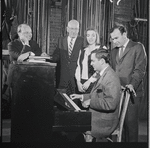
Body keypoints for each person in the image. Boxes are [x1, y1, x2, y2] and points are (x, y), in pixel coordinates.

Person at [70, 48, 121, 142]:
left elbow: (111, 104)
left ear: (101, 61)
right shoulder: (103, 73)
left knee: (73, 127)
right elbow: (97, 94)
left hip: (104, 122)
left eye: (93, 61)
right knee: (73, 123)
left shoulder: (111, 78)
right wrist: (81, 96)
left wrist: (91, 102)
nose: (91, 63)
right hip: (99, 116)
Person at [109, 24, 147, 142]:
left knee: (130, 126)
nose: (114, 41)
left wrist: (132, 84)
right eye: (112, 39)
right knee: (121, 127)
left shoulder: (137, 47)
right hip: (118, 93)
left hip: (132, 93)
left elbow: (140, 69)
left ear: (124, 34)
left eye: (116, 38)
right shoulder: (113, 51)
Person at [5, 24, 48, 90]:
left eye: (31, 32)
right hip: (17, 78)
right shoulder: (12, 44)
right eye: (26, 32)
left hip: (32, 78)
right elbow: (20, 58)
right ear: (19, 33)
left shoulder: (34, 43)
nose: (30, 34)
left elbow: (38, 54)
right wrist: (26, 44)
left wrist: (42, 55)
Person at [51, 19, 84, 96]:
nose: (74, 31)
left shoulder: (82, 41)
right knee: (62, 101)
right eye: (72, 29)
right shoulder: (61, 40)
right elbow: (56, 56)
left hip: (76, 78)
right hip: (63, 77)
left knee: (75, 103)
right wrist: (49, 58)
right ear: (67, 29)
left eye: (76, 29)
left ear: (79, 30)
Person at [75, 27, 100, 94]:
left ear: (96, 36)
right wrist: (78, 82)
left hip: (95, 83)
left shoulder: (100, 50)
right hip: (82, 83)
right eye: (88, 35)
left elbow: (101, 70)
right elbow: (78, 67)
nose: (90, 38)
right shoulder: (83, 51)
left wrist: (89, 81)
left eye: (93, 35)